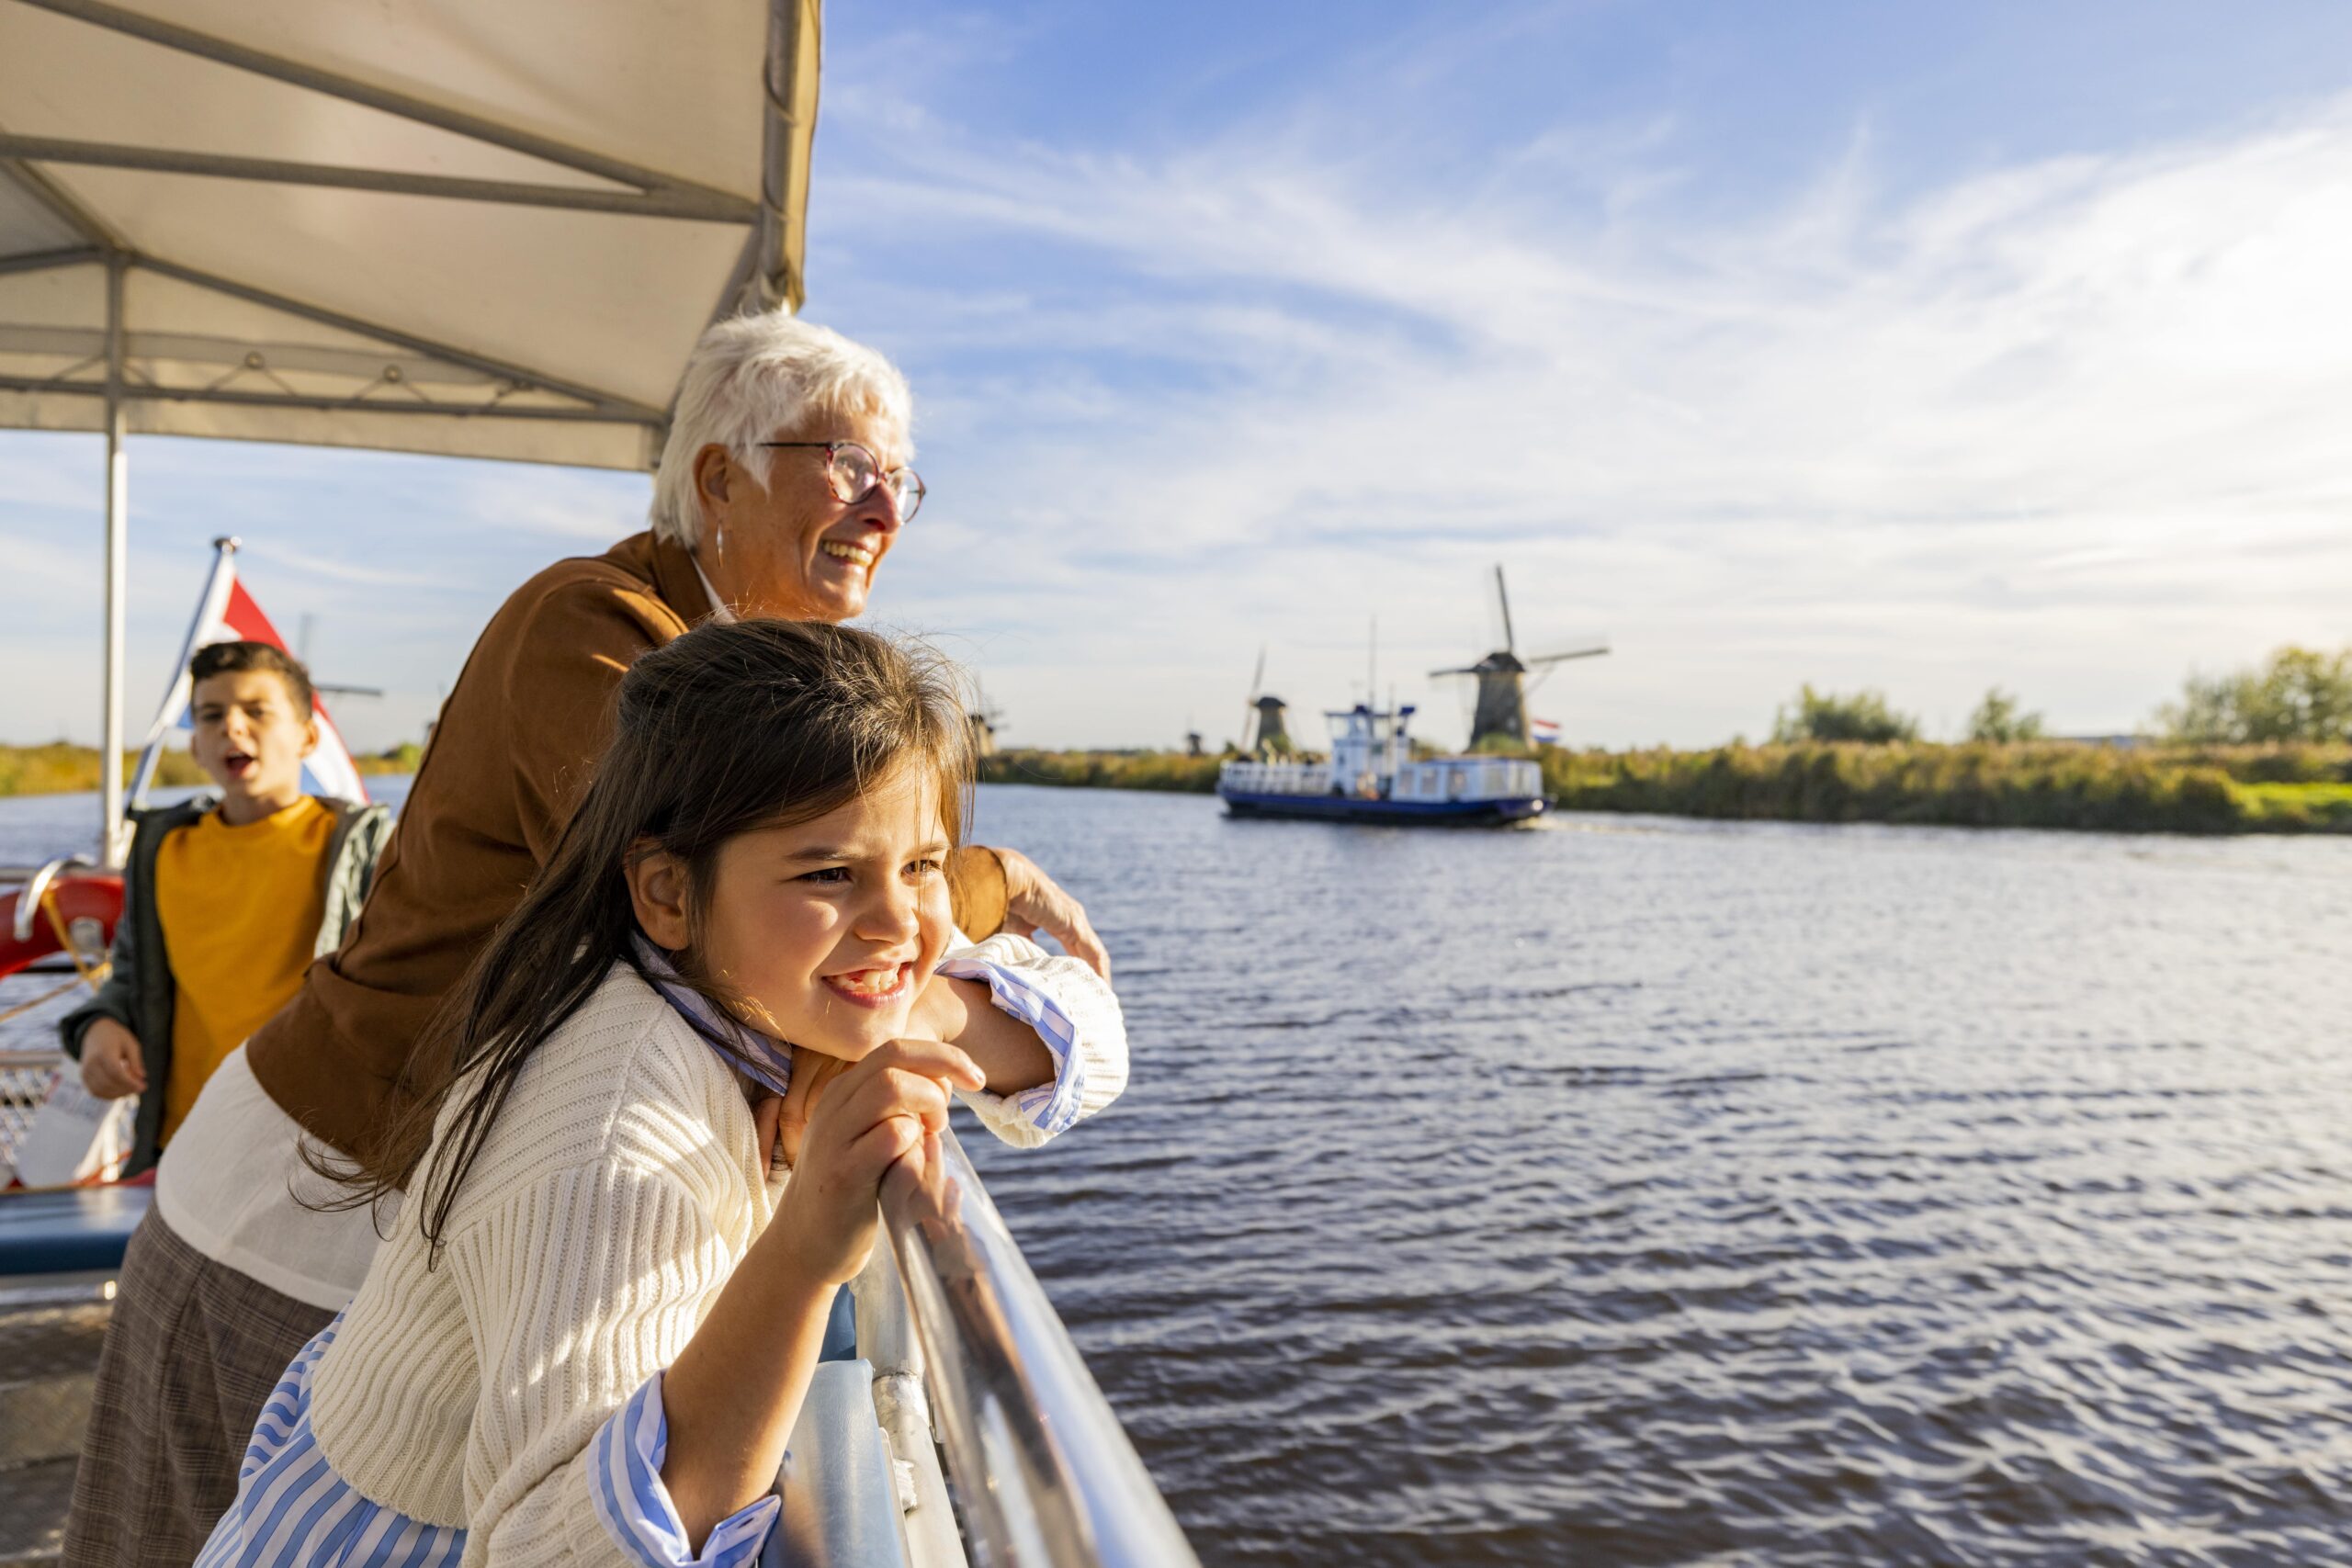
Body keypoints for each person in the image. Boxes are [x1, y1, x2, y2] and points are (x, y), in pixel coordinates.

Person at [63, 313, 1117, 1568]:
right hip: (300, 1210)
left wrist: (910, 968)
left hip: (457, 1238)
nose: (886, 509)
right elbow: (719, 952)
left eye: (904, 479)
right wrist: (972, 897)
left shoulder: (747, 689)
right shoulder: (596, 626)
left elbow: (795, 966)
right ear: (717, 477)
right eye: (847, 463)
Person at [198, 618, 1120, 1568]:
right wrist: (804, 1254)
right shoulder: (614, 1133)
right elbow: (554, 1553)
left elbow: (1096, 1032)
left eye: (924, 865)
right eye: (830, 874)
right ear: (668, 895)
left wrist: (907, 1020)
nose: (897, 921)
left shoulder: (727, 977)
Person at [59, 641, 390, 1175]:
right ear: (195, 748)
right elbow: (131, 977)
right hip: (186, 1142)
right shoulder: (163, 849)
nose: (231, 727)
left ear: (308, 737)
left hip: (312, 1151)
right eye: (211, 715)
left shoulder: (364, 845)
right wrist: (98, 1024)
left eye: (256, 711)